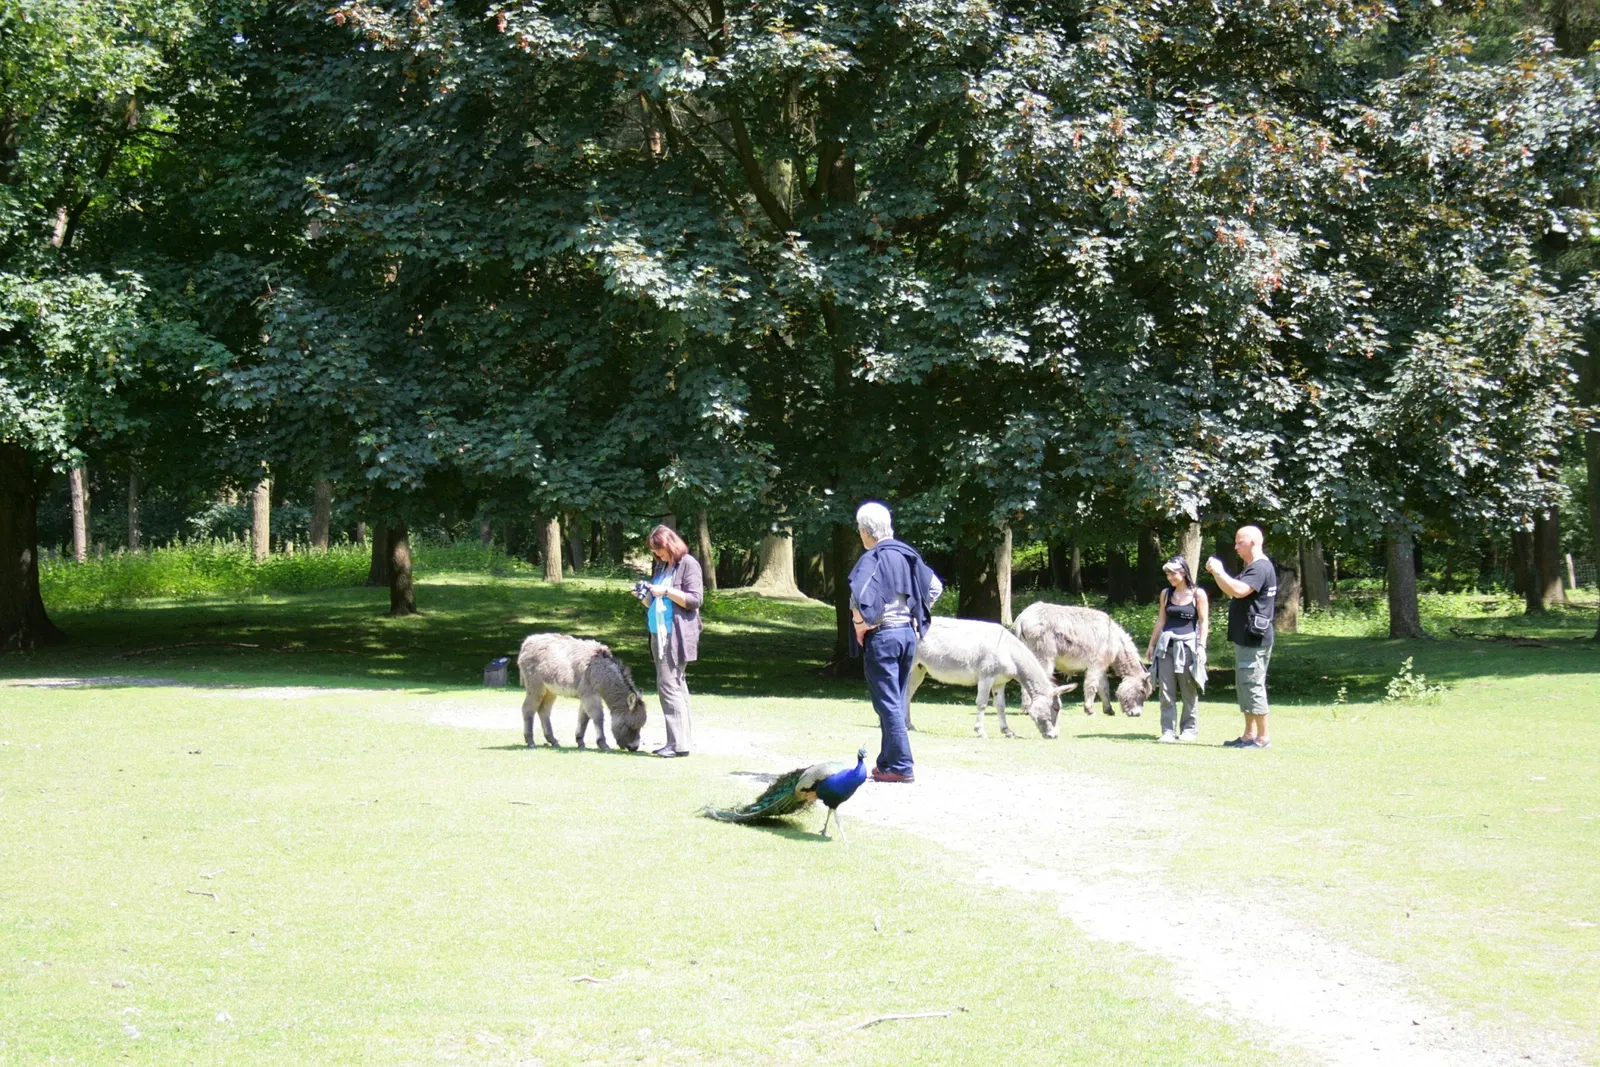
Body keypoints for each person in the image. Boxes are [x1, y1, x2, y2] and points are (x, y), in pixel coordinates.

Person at [847, 501, 942, 784]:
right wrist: (916, 614)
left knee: (887, 702)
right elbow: (934, 587)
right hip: (907, 636)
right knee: (896, 700)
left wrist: (862, 625)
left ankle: (901, 765)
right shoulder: (908, 554)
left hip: (884, 638)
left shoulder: (872, 558)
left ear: (866, 531)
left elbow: (858, 598)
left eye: (859, 530)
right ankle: (886, 762)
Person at [1205, 526, 1277, 750]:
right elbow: (1230, 589)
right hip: (1247, 638)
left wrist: (1218, 571)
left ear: (1253, 542)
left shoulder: (1260, 567)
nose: (1235, 547)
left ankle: (1263, 738)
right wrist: (1217, 574)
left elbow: (1239, 590)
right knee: (1244, 685)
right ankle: (1248, 735)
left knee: (1252, 684)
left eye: (1240, 542)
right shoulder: (1252, 567)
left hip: (1254, 639)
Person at [644, 524, 703, 758]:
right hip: (657, 632)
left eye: (659, 549)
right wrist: (644, 595)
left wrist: (666, 592)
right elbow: (653, 602)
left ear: (669, 545)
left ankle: (677, 745)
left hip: (675, 635)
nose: (656, 554)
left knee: (668, 686)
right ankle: (679, 742)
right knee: (676, 686)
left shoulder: (688, 564)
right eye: (654, 551)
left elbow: (695, 600)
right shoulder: (662, 566)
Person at [1144, 556, 1209, 743]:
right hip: (1166, 646)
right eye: (1167, 574)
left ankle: (1189, 730)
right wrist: (1151, 644)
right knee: (1166, 691)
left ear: (1183, 572)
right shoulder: (1166, 594)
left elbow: (1204, 622)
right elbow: (1161, 620)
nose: (1170, 577)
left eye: (1173, 573)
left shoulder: (1198, 594)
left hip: (1188, 646)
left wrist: (1201, 647)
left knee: (1189, 690)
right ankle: (1168, 731)